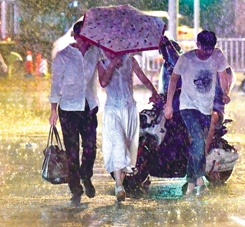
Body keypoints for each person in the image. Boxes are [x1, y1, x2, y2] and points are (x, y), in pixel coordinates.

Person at [164, 30, 230, 197]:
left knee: (197, 144)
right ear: (197, 45)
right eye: (204, 48)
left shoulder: (218, 56)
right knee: (199, 139)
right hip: (188, 106)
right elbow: (173, 81)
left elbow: (223, 75)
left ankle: (190, 182)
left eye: (210, 49)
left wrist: (225, 92)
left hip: (206, 107)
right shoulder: (186, 59)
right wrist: (169, 105)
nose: (207, 53)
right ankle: (199, 179)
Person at [49, 21, 102, 207]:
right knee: (72, 152)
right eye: (84, 37)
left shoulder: (94, 52)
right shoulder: (63, 57)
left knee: (90, 147)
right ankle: (75, 188)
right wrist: (53, 110)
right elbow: (55, 84)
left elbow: (109, 58)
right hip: (68, 109)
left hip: (88, 107)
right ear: (76, 36)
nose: (87, 42)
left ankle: (86, 176)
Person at [97, 50, 160, 202]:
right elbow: (103, 82)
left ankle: (122, 183)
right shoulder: (102, 63)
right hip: (113, 110)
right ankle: (119, 186)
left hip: (129, 109)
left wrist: (153, 91)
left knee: (127, 148)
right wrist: (112, 64)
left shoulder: (130, 61)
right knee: (117, 144)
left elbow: (142, 77)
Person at [204, 66, 236, 154]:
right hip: (196, 106)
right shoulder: (198, 67)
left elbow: (226, 90)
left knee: (211, 118)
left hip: (216, 109)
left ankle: (203, 154)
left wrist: (226, 94)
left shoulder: (226, 71)